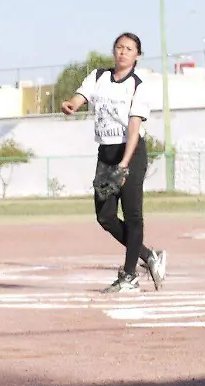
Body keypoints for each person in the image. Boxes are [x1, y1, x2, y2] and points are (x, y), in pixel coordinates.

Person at [60, 32, 167, 294]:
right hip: (106, 153)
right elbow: (80, 97)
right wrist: (71, 105)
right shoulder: (98, 77)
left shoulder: (138, 85)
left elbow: (134, 127)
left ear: (137, 56)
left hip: (130, 152)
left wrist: (125, 164)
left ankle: (129, 275)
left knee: (133, 216)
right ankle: (149, 256)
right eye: (119, 47)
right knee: (105, 216)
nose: (122, 52)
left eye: (129, 49)